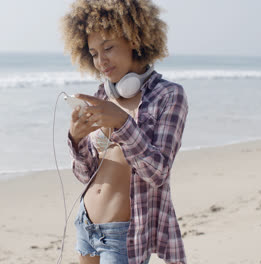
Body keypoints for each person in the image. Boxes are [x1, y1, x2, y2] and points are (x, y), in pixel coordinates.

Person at [61, 1, 188, 263]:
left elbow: (158, 172)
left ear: (134, 39)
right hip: (86, 223)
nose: (101, 61)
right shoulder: (101, 96)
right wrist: (76, 140)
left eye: (108, 48)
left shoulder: (168, 95)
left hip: (122, 234)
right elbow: (85, 174)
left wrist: (123, 123)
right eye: (94, 53)